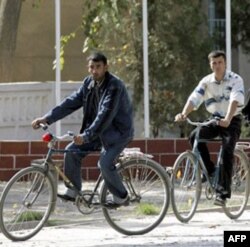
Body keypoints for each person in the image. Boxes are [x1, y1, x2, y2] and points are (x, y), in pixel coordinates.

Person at [32, 52, 134, 207]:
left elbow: (105, 114)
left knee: (105, 163)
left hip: (117, 134)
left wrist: (86, 136)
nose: (94, 71)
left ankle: (122, 197)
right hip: (96, 133)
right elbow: (70, 103)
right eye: (91, 67)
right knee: (72, 151)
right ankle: (74, 192)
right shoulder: (89, 83)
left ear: (106, 67)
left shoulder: (114, 86)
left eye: (98, 67)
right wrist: (46, 118)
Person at [175, 50, 245, 206]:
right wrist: (183, 114)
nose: (217, 66)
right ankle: (210, 171)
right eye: (214, 63)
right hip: (215, 119)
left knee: (227, 150)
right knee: (195, 136)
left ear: (225, 63)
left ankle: (222, 194)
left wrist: (227, 119)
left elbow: (235, 99)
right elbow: (194, 98)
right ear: (210, 64)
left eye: (220, 62)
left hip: (231, 119)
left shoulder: (235, 79)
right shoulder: (206, 81)